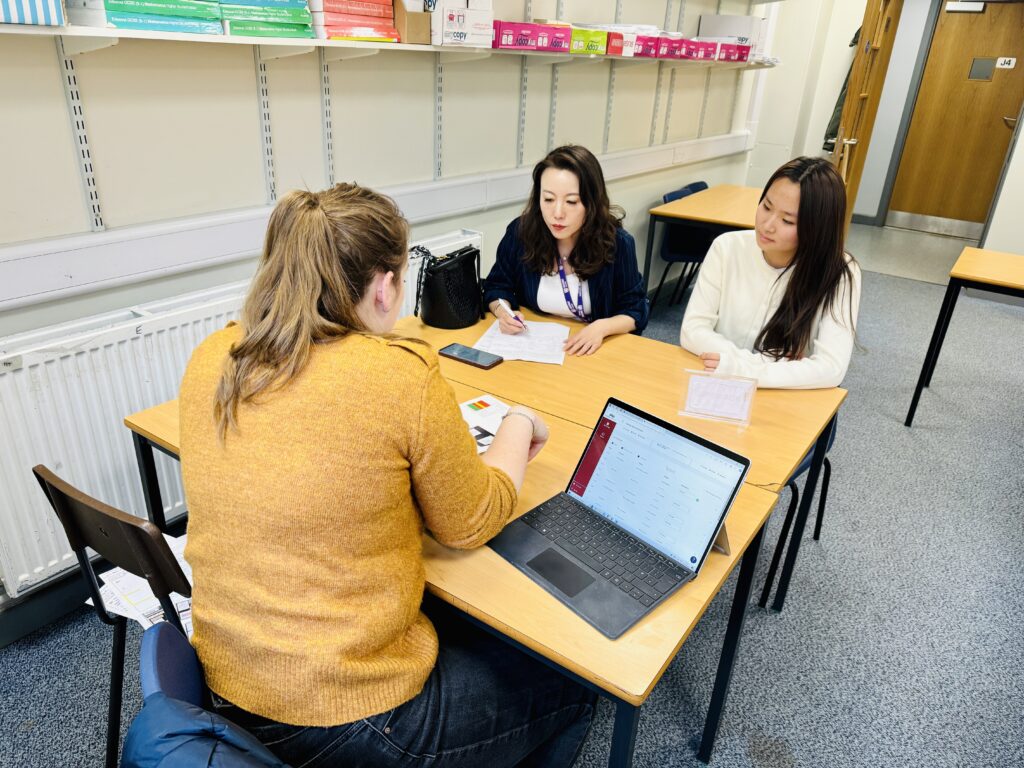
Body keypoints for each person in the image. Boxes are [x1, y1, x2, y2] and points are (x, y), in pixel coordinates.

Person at [179, 183, 596, 767]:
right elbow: (469, 522)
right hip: (348, 718)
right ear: (383, 286)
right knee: (576, 685)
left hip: (220, 684)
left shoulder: (213, 357)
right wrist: (519, 426)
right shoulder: (398, 377)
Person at [679, 156, 861, 389]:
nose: (767, 225)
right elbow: (693, 330)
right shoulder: (727, 247)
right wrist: (750, 365)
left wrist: (742, 370)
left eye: (787, 220)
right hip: (718, 383)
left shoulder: (840, 272)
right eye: (766, 206)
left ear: (817, 228)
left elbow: (830, 369)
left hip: (783, 397)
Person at [483, 144, 649, 356]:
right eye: (549, 199)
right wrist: (503, 312)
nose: (557, 213)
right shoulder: (521, 233)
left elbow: (636, 310)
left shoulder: (617, 244)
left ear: (592, 203)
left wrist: (601, 327)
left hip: (590, 353)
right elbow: (497, 286)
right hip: (533, 349)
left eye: (571, 201)